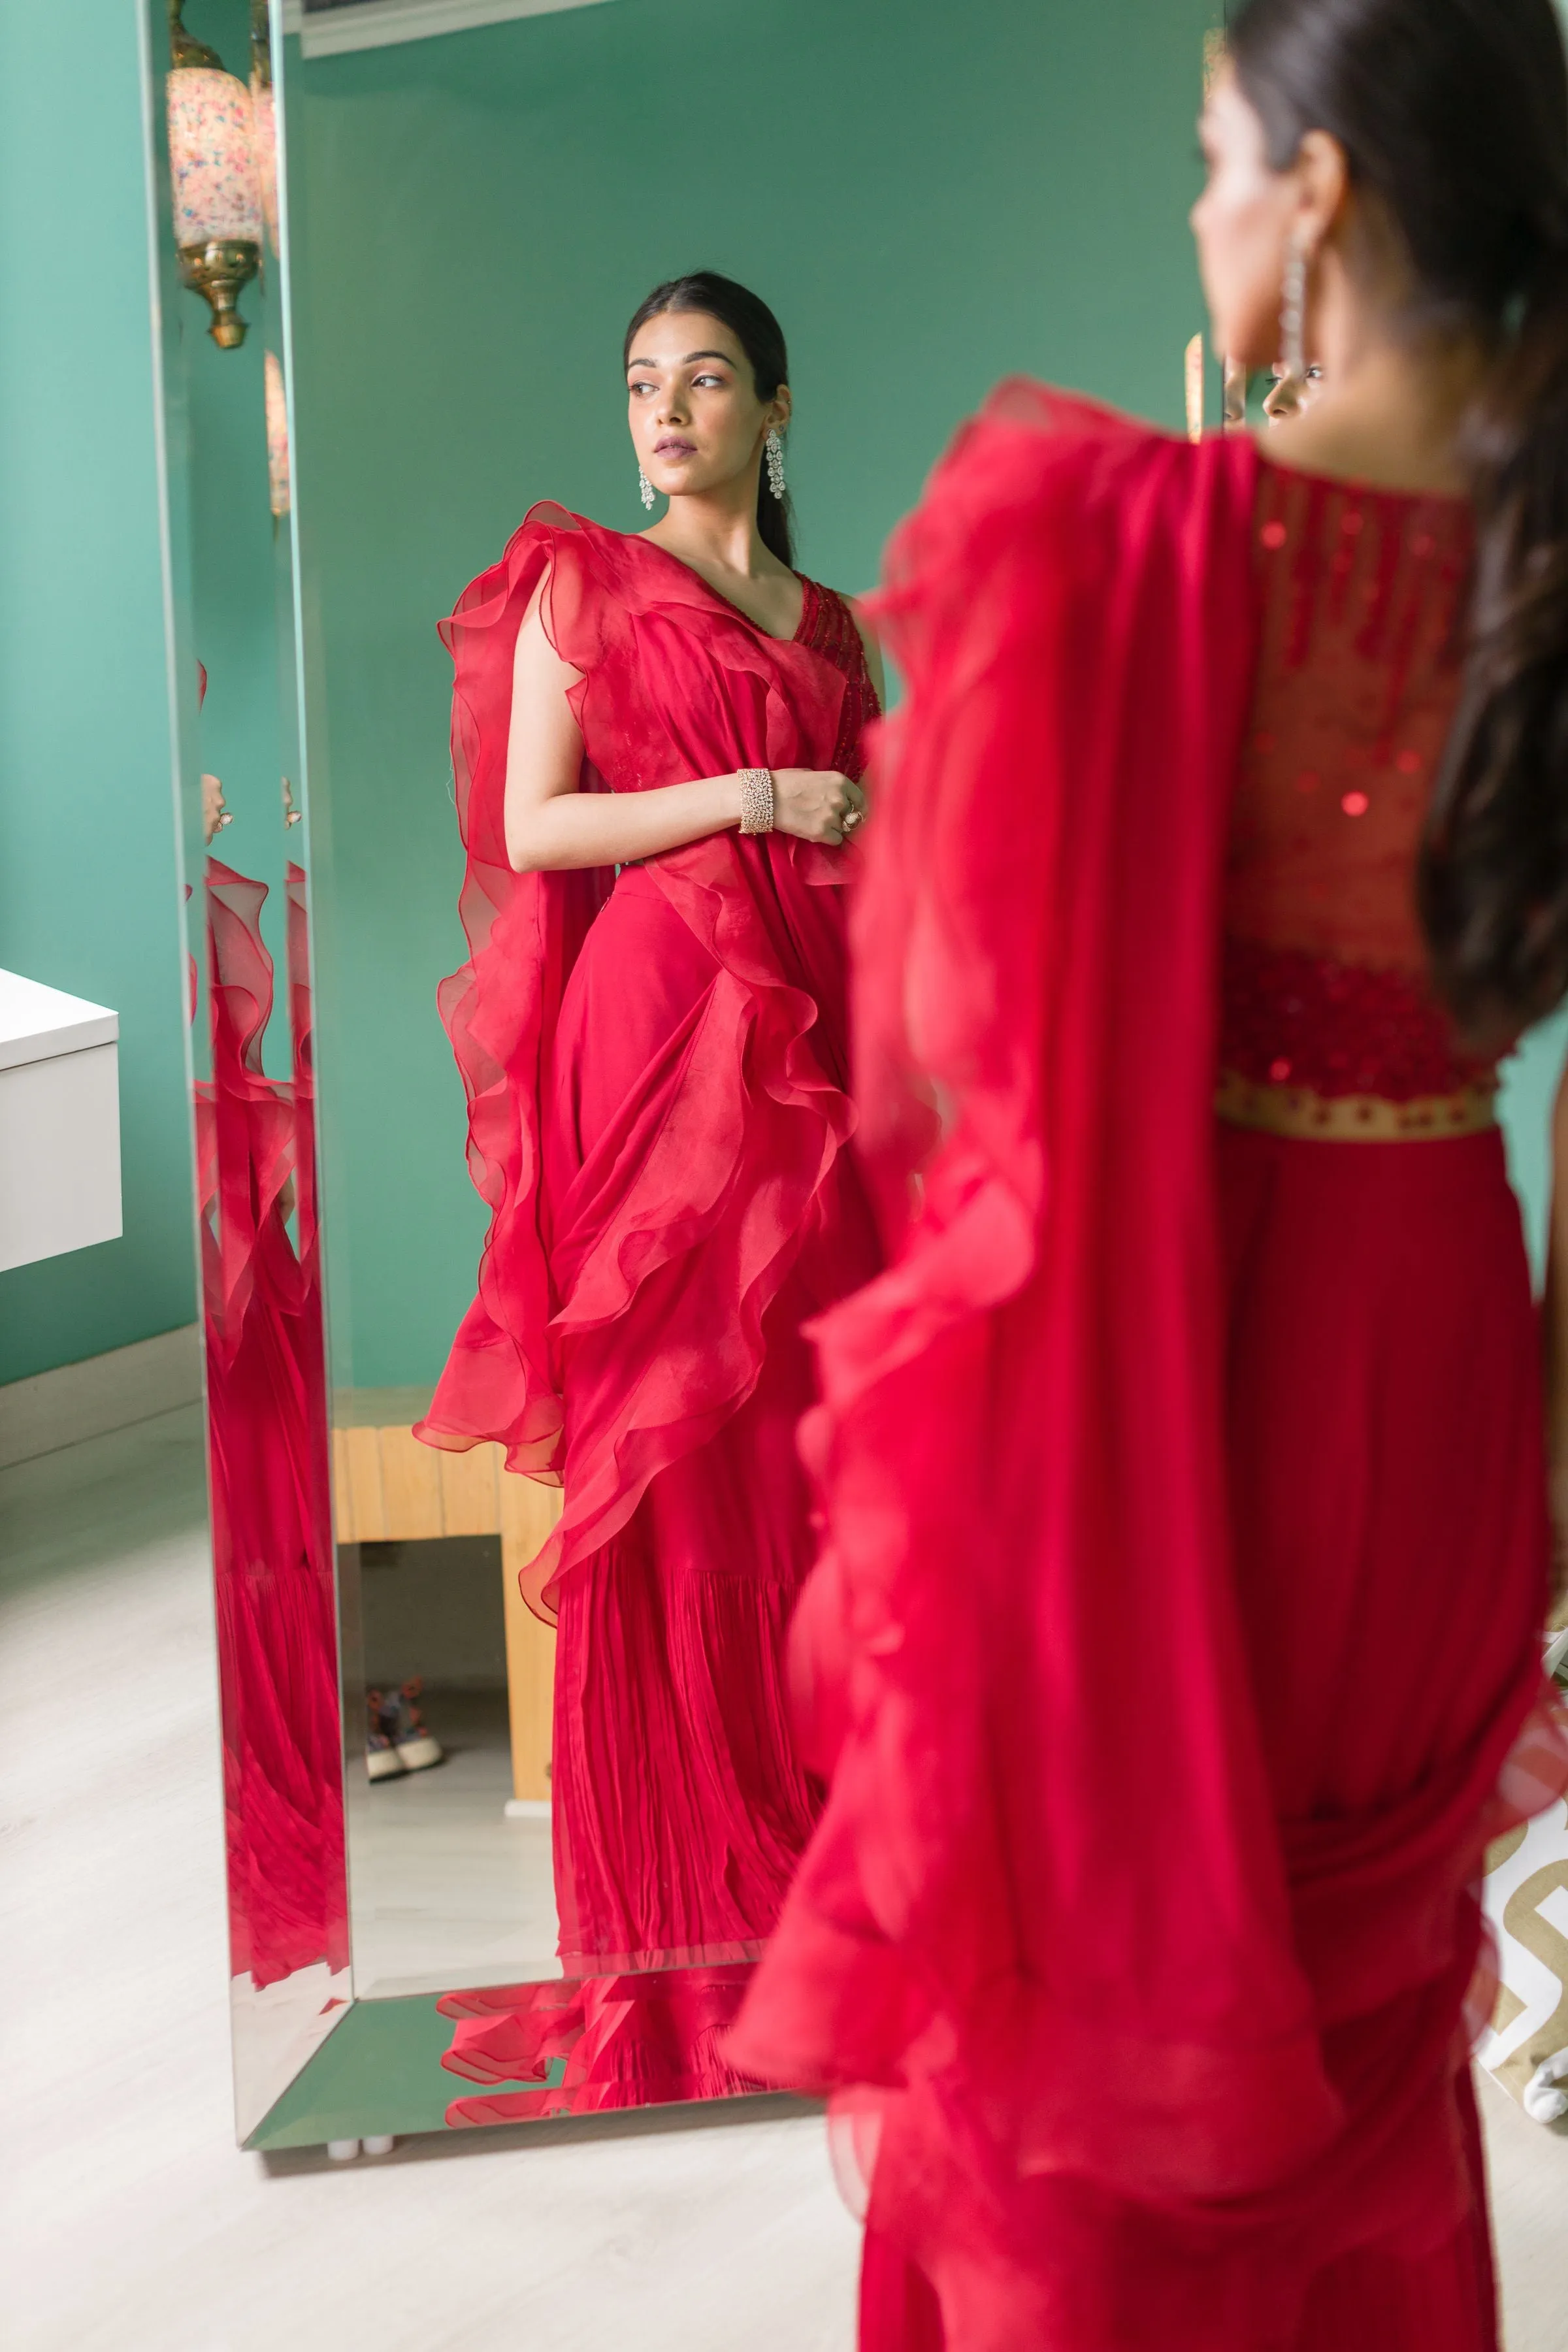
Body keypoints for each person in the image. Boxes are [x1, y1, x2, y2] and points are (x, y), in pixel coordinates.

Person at [727, 3, 1568, 2342]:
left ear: (1320, 190)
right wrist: (1552, 1453)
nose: (1200, 207)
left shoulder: (1120, 537)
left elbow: (961, 1072)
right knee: (1361, 2021)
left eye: (1212, 152)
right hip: (1452, 1355)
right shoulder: (1542, 564)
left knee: (1100, 2032)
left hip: (1189, 1372)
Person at [416, 271, 882, 2106]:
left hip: (815, 1041)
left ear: (777, 408)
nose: (666, 411)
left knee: (815, 1442)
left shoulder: (834, 624)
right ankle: (690, 1939)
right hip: (661, 1032)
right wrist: (758, 794)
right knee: (679, 1456)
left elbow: (878, 833)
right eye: (640, 384)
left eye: (703, 380)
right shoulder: (583, 582)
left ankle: (837, 1891)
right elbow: (536, 825)